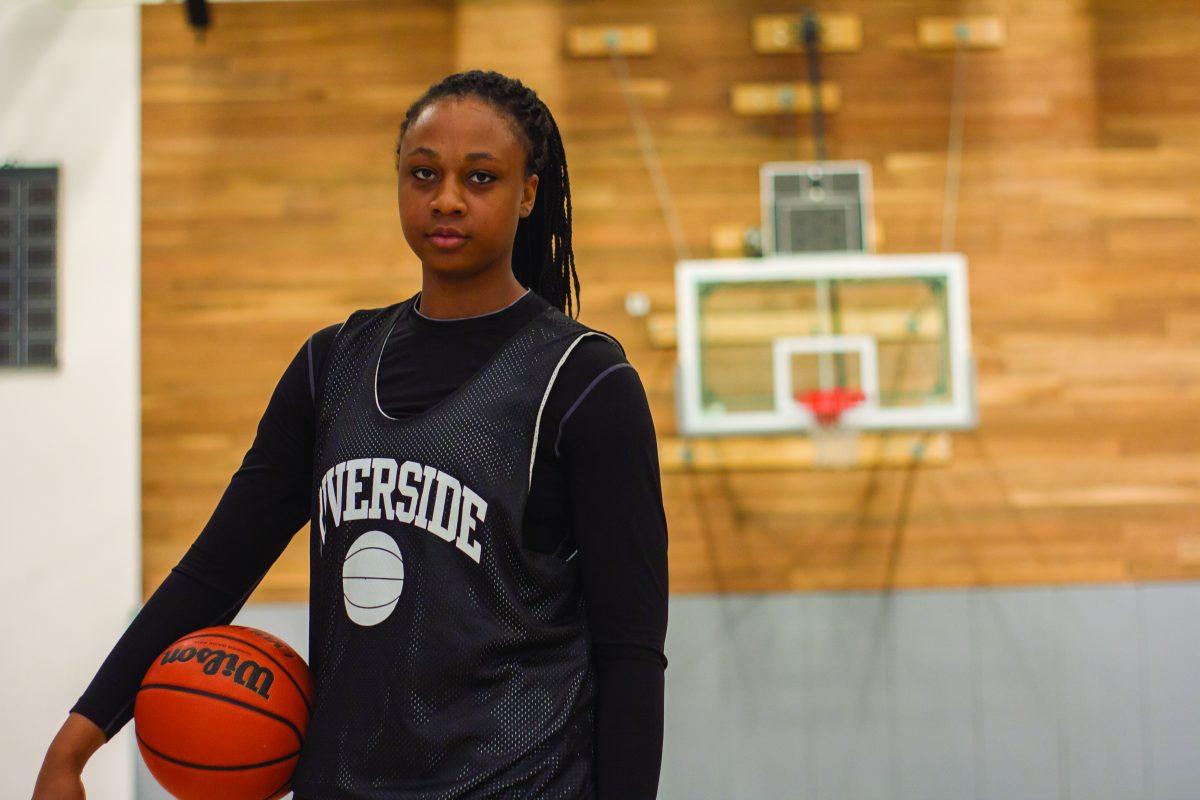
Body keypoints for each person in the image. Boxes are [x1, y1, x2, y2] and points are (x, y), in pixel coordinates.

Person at [33, 69, 669, 799]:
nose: (448, 198)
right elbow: (215, 572)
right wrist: (75, 742)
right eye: (423, 173)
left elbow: (630, 652)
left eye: (482, 177)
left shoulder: (583, 383)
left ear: (528, 192)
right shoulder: (330, 366)